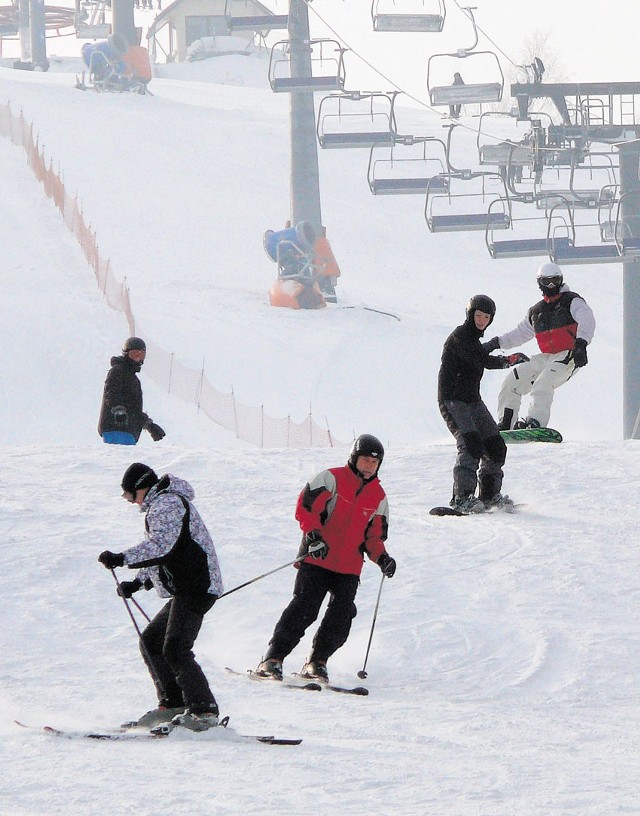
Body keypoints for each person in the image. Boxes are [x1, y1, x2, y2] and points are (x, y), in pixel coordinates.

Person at [255, 434, 396, 684]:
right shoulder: (331, 478)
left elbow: (373, 537)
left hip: (349, 567)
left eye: (374, 463)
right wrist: (313, 537)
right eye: (364, 461)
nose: (368, 467)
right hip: (317, 558)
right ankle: (272, 659)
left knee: (341, 616)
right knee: (305, 609)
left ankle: (317, 662)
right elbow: (306, 508)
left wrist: (382, 558)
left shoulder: (379, 497)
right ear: (354, 458)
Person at [98, 463, 223, 731]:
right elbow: (164, 552)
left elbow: (161, 547)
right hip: (187, 587)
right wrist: (139, 582)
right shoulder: (160, 504)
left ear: (140, 487)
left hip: (197, 585)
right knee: (152, 641)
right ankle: (175, 703)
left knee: (176, 648)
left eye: (129, 495)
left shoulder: (166, 503)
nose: (130, 501)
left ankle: (204, 711)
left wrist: (122, 558)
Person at [438, 295, 529, 514]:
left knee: (496, 446)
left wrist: (500, 350)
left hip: (472, 400)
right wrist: (508, 360)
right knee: (470, 444)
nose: (481, 321)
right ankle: (462, 498)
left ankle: (489, 495)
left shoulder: (474, 341)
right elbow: (480, 359)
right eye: (478, 315)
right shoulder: (460, 336)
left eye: (486, 317)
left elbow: (479, 352)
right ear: (470, 315)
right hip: (453, 400)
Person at [487, 263, 596, 431]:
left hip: (567, 355)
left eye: (555, 281)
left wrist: (581, 343)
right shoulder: (537, 312)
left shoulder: (571, 301)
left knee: (543, 383)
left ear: (561, 281)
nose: (551, 286)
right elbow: (520, 334)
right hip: (546, 357)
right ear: (540, 283)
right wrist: (495, 343)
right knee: (512, 381)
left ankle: (535, 422)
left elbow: (586, 318)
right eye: (547, 282)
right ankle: (506, 423)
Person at [98, 337, 165, 445]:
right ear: (126, 354)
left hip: (129, 430)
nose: (137, 359)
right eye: (134, 354)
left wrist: (149, 425)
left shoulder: (133, 378)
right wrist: (118, 409)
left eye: (141, 355)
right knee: (118, 459)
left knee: (125, 460)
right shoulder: (118, 370)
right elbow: (111, 393)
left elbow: (134, 409)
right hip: (115, 426)